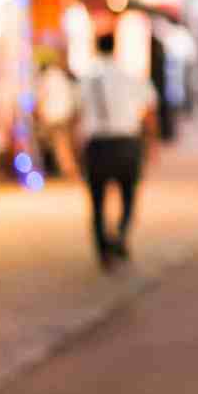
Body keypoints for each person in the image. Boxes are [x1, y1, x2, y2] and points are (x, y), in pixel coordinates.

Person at [77, 33, 158, 270]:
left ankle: (103, 249)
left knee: (97, 200)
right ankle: (121, 235)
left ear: (95, 46)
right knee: (128, 196)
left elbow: (77, 113)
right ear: (115, 46)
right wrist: (151, 143)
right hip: (126, 142)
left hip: (97, 144)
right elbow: (150, 107)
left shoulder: (86, 77)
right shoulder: (130, 74)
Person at [35, 58, 79, 178]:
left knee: (60, 143)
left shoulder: (47, 79)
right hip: (63, 114)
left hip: (53, 115)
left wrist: (40, 112)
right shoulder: (61, 77)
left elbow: (42, 97)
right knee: (62, 143)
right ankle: (68, 169)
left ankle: (69, 170)